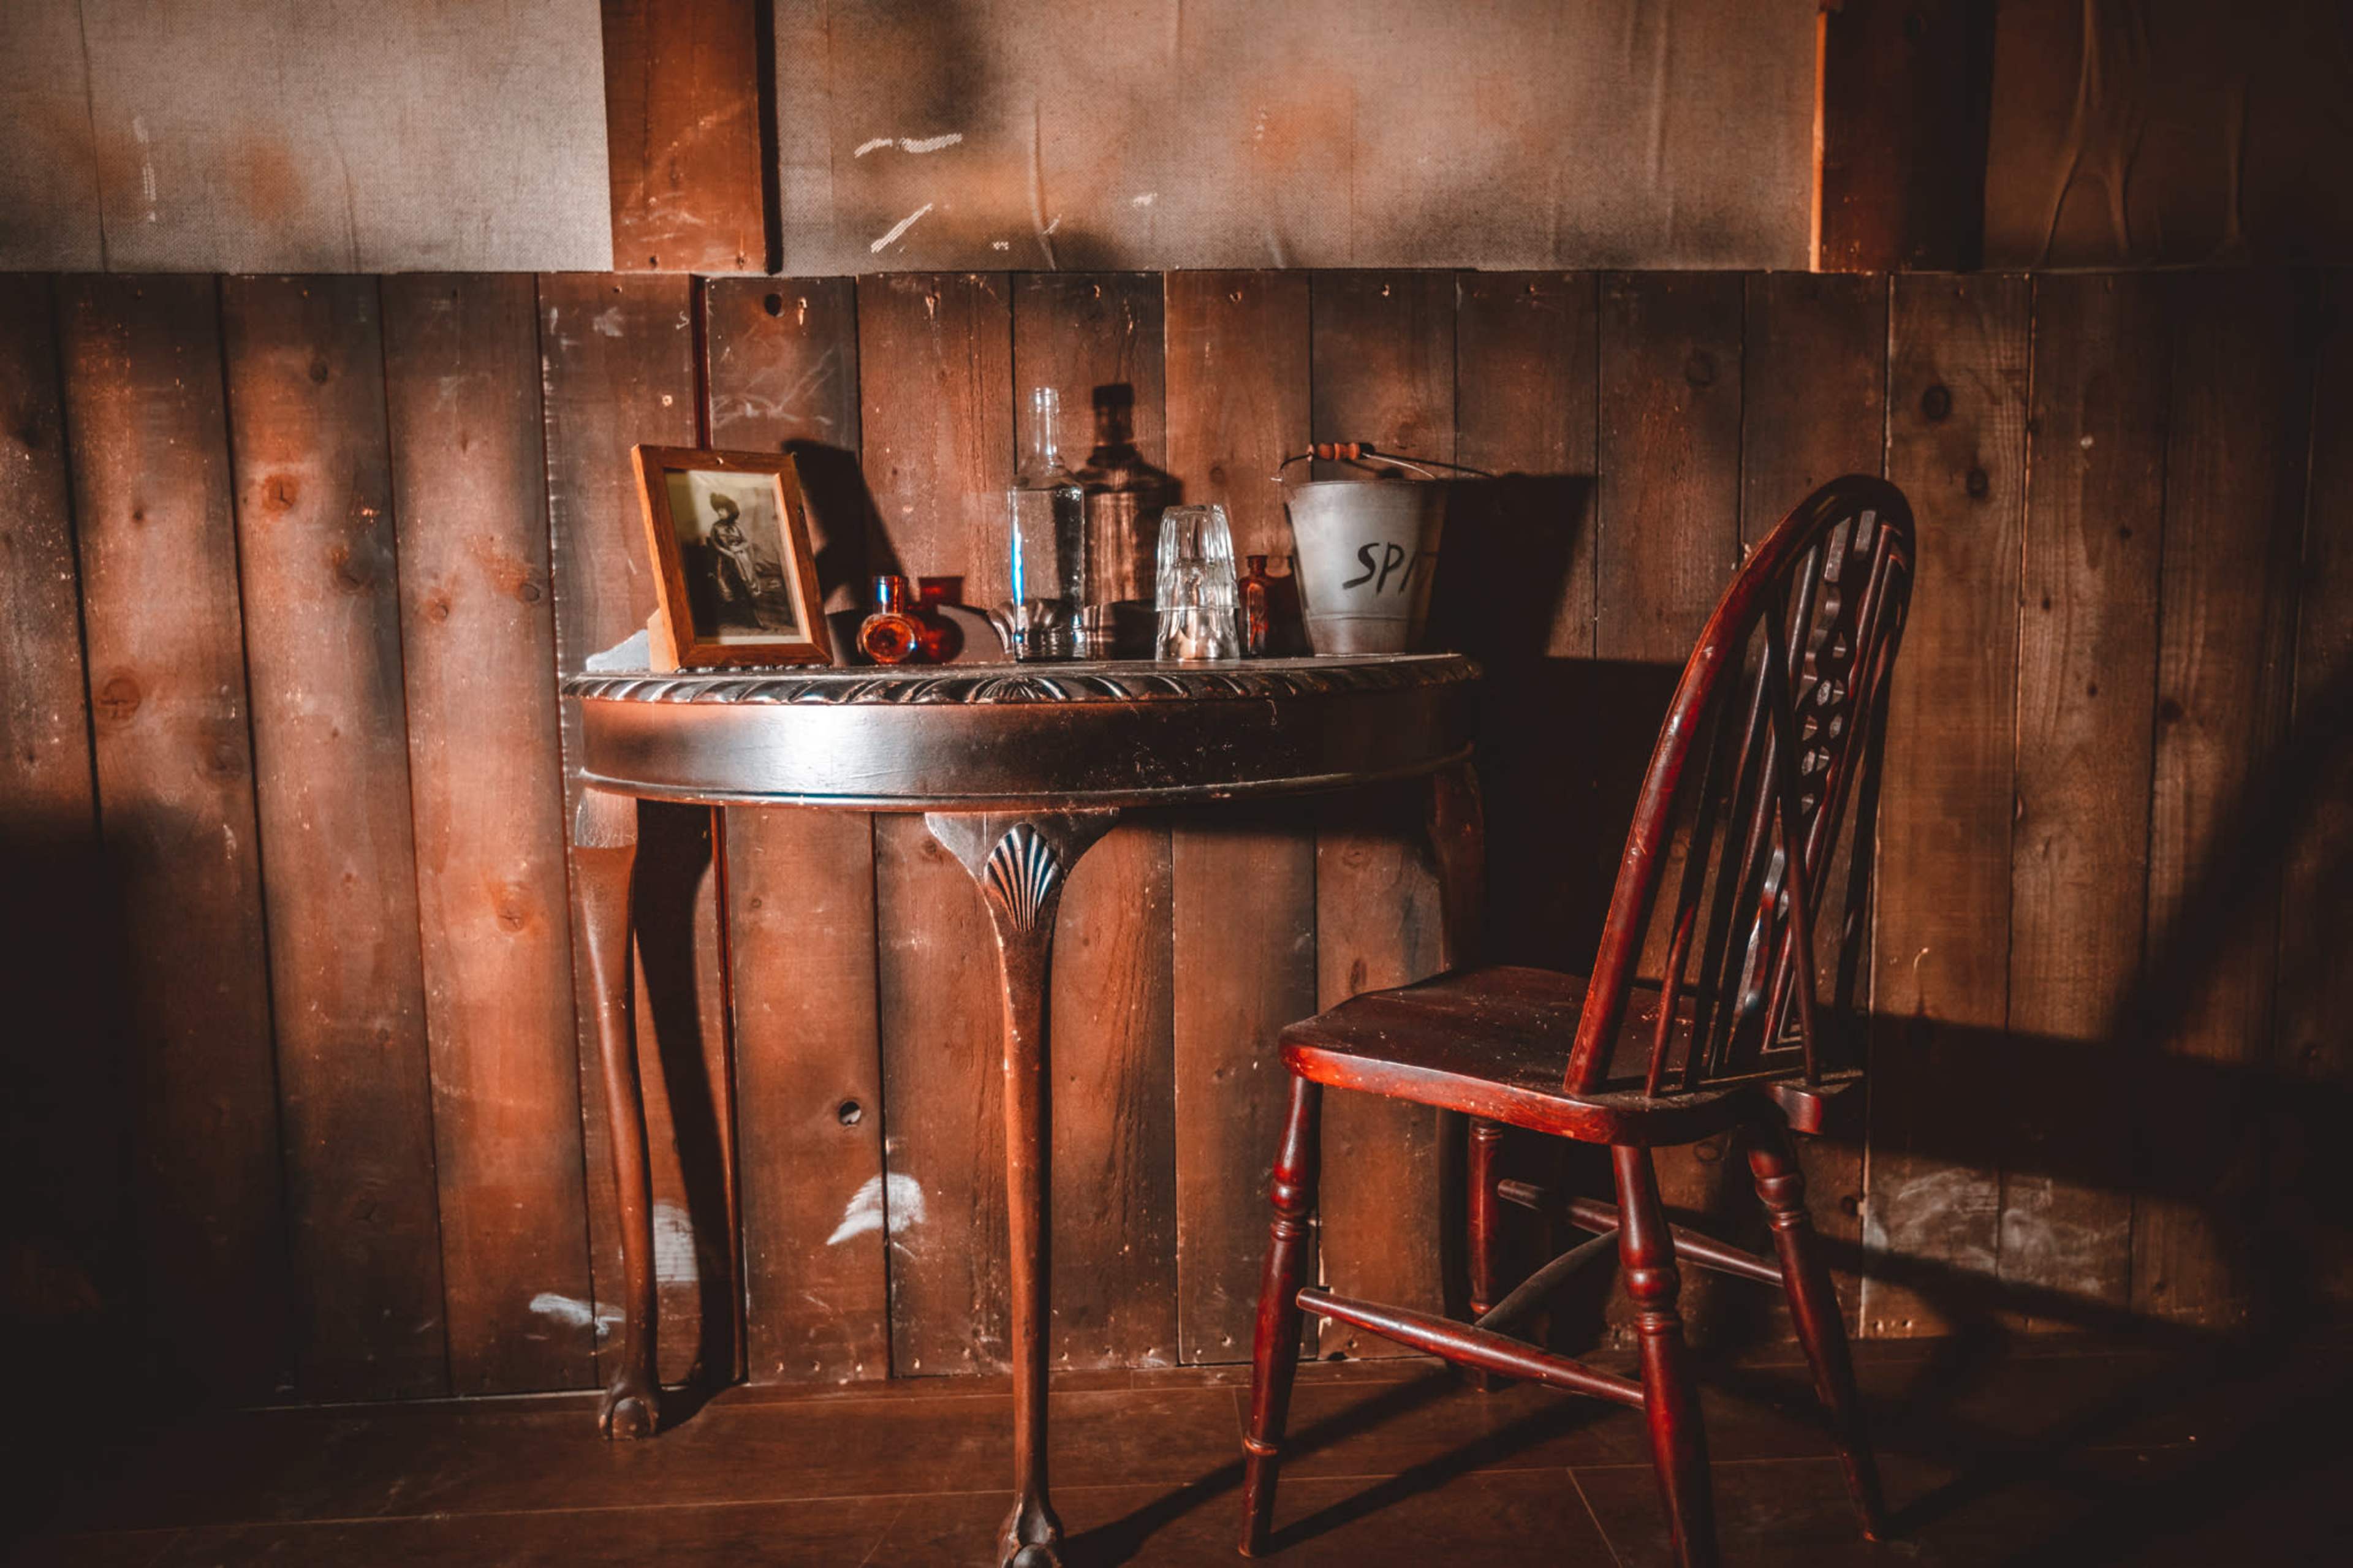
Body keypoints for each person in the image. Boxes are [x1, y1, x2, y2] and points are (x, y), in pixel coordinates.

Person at [706, 493, 760, 617]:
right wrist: (727, 553)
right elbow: (715, 544)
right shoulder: (716, 527)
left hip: (740, 557)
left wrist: (736, 550)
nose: (719, 512)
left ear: (729, 511)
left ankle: (753, 608)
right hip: (724, 558)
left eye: (722, 510)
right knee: (724, 580)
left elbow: (747, 541)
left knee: (747, 580)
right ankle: (733, 607)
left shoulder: (737, 526)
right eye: (718, 510)